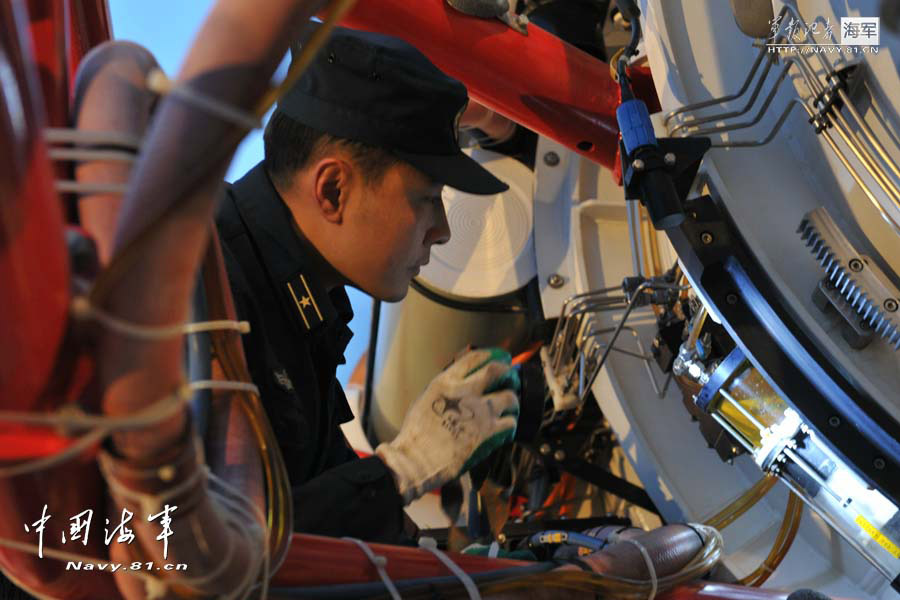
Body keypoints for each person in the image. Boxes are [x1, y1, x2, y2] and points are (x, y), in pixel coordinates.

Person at [215, 26, 520, 543]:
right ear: (333, 189)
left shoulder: (305, 311)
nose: (443, 230)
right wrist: (404, 466)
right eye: (427, 198)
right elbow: (204, 553)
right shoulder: (202, 284)